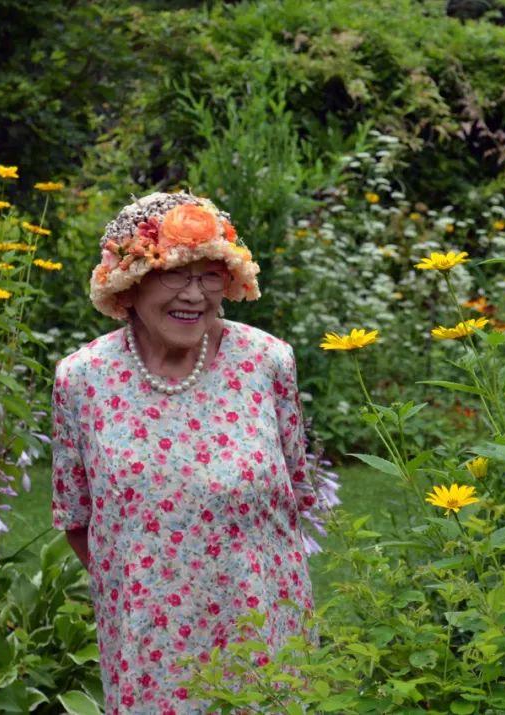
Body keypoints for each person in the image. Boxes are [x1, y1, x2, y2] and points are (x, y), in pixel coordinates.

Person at [50, 191, 319, 714]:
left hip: (259, 632)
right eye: (175, 274)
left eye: (209, 275)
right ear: (129, 287)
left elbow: (295, 494)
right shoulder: (82, 379)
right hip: (149, 649)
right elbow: (77, 518)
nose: (194, 294)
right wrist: (150, 585)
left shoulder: (267, 362)